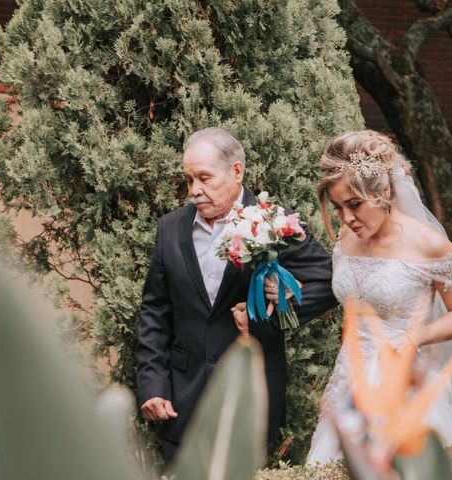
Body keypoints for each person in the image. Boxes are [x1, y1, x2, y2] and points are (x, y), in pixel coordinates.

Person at [136, 127, 337, 465]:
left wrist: (279, 307)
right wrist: (153, 385)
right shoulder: (170, 228)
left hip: (253, 392)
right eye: (188, 180)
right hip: (183, 397)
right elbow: (155, 312)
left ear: (237, 171)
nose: (195, 191)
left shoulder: (273, 221)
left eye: (204, 178)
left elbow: (329, 280)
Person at [306, 130, 452, 464]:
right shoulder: (345, 237)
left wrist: (415, 336)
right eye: (337, 208)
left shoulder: (430, 245)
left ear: (383, 191)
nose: (347, 218)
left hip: (407, 378)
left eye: (354, 205)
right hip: (349, 378)